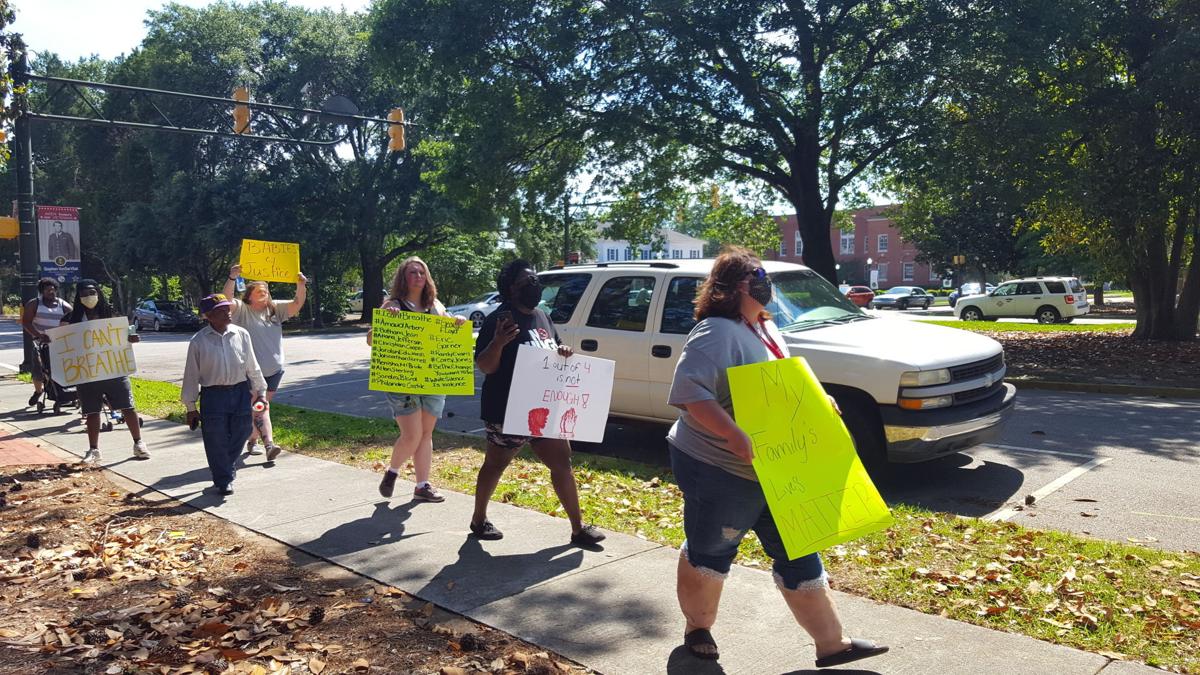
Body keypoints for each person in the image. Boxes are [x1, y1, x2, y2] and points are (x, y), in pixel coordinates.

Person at [666, 246, 887, 668]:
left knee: (799, 548)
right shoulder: (716, 331)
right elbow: (691, 394)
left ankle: (832, 645)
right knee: (712, 550)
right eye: (756, 276)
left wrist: (819, 398)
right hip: (719, 467)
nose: (765, 284)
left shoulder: (765, 327)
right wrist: (731, 432)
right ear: (732, 287)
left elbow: (778, 382)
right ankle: (698, 628)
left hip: (776, 466)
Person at [470, 258, 605, 546]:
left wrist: (563, 351)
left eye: (536, 280)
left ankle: (578, 528)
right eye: (527, 282)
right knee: (495, 465)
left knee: (562, 463)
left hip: (543, 407)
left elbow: (551, 348)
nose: (536, 286)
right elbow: (485, 366)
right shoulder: (499, 319)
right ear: (511, 288)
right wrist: (498, 343)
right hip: (507, 410)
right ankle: (478, 519)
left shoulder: (542, 317)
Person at [369, 256, 466, 503]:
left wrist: (457, 325)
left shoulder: (435, 306)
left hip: (432, 379)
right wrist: (385, 323)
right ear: (404, 277)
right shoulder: (393, 305)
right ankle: (392, 472)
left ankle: (422, 485)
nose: (418, 277)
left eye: (422, 273)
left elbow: (448, 333)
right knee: (412, 435)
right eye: (413, 272)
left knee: (426, 434)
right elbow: (371, 339)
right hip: (402, 380)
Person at [181, 294, 268, 496]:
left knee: (244, 429)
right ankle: (223, 479)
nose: (228, 313)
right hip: (213, 395)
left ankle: (224, 466)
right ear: (209, 316)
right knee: (215, 438)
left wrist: (261, 392)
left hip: (239, 391)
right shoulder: (198, 342)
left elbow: (252, 366)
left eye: (228, 309)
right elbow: (191, 375)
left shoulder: (241, 334)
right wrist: (191, 408)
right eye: (221, 311)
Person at [222, 265, 307, 460]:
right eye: (260, 290)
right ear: (249, 295)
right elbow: (226, 301)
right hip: (252, 372)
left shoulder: (275, 309)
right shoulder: (242, 310)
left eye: (266, 290)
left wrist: (301, 285)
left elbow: (297, 303)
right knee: (261, 406)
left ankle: (252, 440)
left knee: (260, 406)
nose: (265, 292)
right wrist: (232, 278)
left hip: (275, 370)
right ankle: (268, 444)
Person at [61, 280, 149, 463]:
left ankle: (139, 443)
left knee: (128, 407)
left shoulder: (111, 314)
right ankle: (94, 450)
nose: (88, 297)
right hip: (87, 372)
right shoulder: (71, 319)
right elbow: (62, 342)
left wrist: (131, 338)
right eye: (84, 294)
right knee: (92, 411)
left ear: (99, 293)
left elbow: (126, 334)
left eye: (92, 292)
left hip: (114, 368)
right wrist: (53, 338)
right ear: (78, 297)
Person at [20, 277, 72, 407]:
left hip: (58, 343)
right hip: (40, 343)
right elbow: (26, 322)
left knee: (61, 369)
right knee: (39, 370)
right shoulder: (34, 304)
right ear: (42, 291)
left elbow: (74, 319)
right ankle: (39, 391)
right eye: (48, 290)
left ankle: (63, 393)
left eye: (53, 290)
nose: (51, 292)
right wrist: (38, 335)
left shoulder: (63, 305)